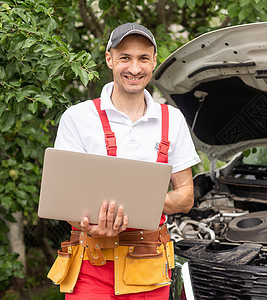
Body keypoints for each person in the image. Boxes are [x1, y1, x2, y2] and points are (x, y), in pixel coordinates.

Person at [47, 22, 201, 299]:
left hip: (149, 265)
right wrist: (89, 223)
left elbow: (186, 197)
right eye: (125, 58)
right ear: (109, 59)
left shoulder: (172, 120)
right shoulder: (78, 117)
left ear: (154, 61)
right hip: (91, 263)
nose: (134, 68)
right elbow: (63, 198)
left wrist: (133, 200)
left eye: (143, 58)